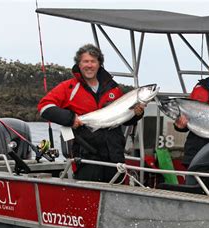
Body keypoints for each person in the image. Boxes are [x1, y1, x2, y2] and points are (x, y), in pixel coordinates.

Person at [37, 44, 144, 182]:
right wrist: (70, 119)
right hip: (87, 156)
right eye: (85, 61)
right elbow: (44, 107)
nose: (89, 65)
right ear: (79, 64)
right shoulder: (69, 87)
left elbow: (123, 118)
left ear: (99, 64)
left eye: (93, 61)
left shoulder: (114, 88)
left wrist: (136, 114)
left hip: (115, 156)